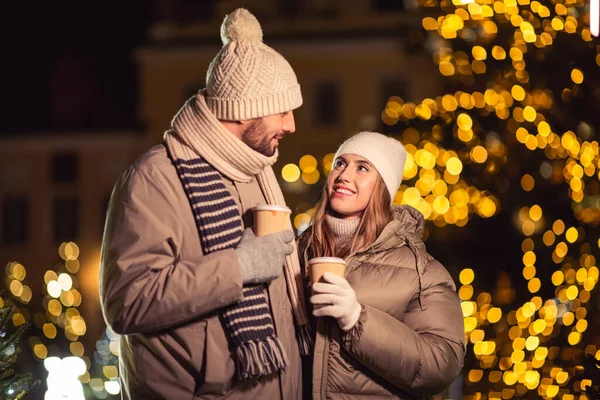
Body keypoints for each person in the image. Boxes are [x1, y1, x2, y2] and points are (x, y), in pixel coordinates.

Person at [100, 8, 312, 400]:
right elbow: (126, 301)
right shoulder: (155, 178)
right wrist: (239, 266)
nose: (291, 125)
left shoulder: (256, 175)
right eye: (283, 110)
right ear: (244, 108)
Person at [297, 131, 465, 399]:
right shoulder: (299, 252)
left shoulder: (421, 271)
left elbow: (441, 365)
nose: (344, 175)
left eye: (362, 168)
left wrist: (357, 320)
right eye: (340, 163)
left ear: (383, 186)